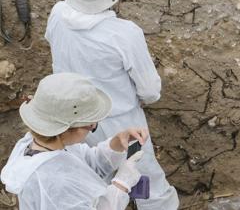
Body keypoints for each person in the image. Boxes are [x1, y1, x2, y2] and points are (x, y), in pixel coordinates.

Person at [44, 0, 179, 209]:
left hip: (70, 120)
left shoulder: (58, 14)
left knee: (91, 178)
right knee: (146, 184)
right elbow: (150, 90)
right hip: (120, 122)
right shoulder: (124, 33)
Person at [1, 72, 148, 209]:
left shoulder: (42, 144)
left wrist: (116, 144)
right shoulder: (56, 180)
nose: (93, 126)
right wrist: (121, 185)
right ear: (69, 129)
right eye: (91, 125)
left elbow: (86, 164)